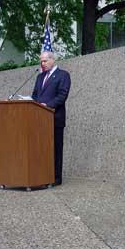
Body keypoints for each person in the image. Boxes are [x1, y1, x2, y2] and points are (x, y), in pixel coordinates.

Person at [32, 51, 71, 185]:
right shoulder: (39, 77)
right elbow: (35, 95)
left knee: (55, 149)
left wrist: (46, 106)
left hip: (55, 118)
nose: (42, 64)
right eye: (41, 61)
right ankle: (42, 175)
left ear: (52, 60)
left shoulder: (63, 75)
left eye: (45, 61)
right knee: (41, 149)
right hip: (39, 119)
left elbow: (62, 95)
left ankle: (55, 178)